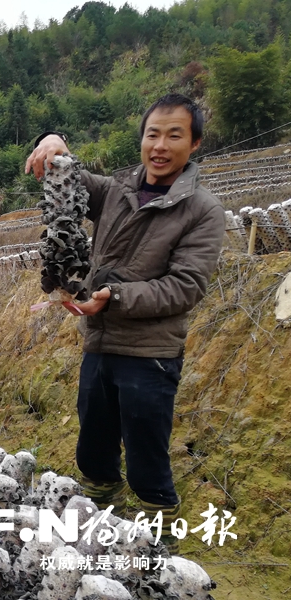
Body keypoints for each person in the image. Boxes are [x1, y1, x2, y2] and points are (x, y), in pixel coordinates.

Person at [24, 93, 225, 553]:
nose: (160, 145)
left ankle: (159, 554)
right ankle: (98, 532)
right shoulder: (116, 190)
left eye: (174, 135)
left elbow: (184, 287)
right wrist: (52, 140)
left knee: (146, 459)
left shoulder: (201, 211)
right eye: (153, 134)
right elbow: (67, 175)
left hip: (150, 354)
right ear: (142, 139)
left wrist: (113, 298)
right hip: (99, 343)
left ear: (194, 143)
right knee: (93, 450)